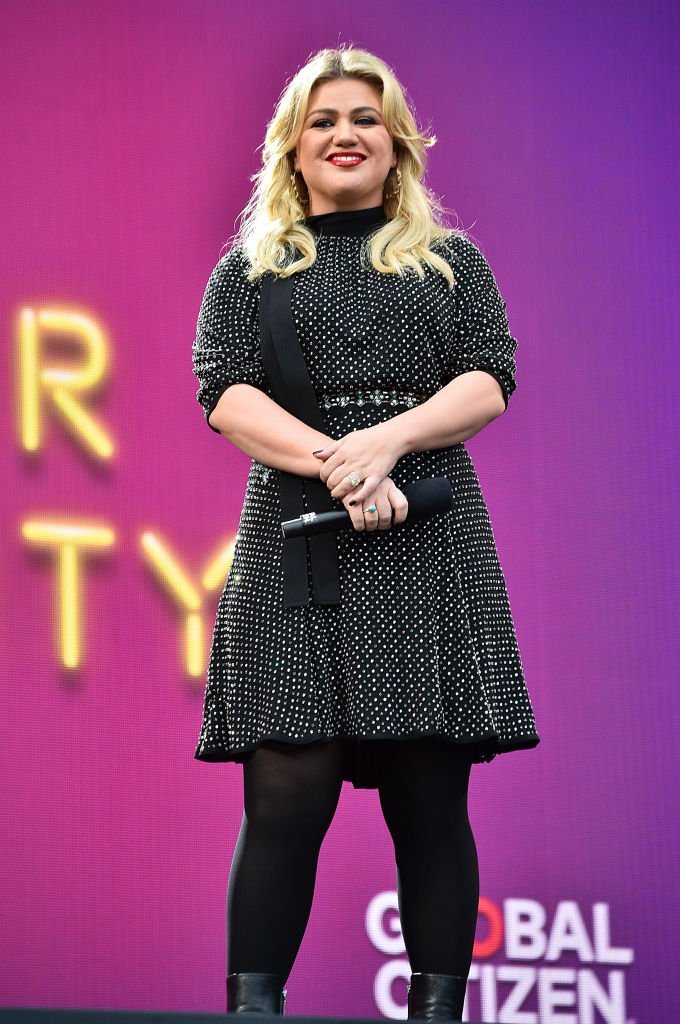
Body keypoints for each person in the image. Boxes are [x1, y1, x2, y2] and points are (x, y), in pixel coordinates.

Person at [192, 46, 539, 1021]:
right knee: (283, 798)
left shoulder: (448, 261)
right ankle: (252, 1012)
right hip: (295, 544)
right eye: (321, 119)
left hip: (424, 540)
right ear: (291, 150)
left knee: (429, 803)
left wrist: (382, 444)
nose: (343, 133)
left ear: (395, 147)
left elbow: (485, 379)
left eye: (364, 117)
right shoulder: (251, 269)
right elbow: (225, 394)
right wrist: (337, 464)